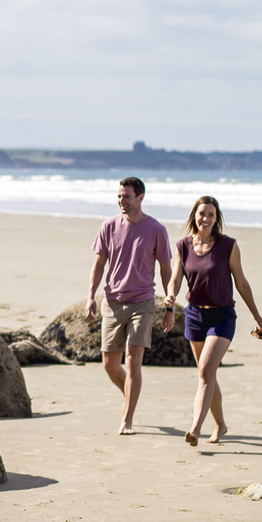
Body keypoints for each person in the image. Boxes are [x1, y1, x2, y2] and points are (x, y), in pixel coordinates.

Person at [165, 195, 262, 446]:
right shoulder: (183, 246)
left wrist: (257, 316)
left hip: (222, 315)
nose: (206, 218)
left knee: (204, 371)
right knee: (208, 374)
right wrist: (170, 295)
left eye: (211, 214)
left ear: (216, 218)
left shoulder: (228, 246)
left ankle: (195, 428)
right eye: (202, 214)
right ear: (194, 216)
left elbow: (241, 283)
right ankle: (221, 425)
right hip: (194, 315)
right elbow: (176, 278)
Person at [85, 176, 175, 434]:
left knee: (134, 361)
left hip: (143, 303)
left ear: (140, 198)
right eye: (119, 196)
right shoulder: (109, 226)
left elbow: (166, 269)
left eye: (126, 196)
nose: (121, 201)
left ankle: (127, 419)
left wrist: (169, 306)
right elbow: (99, 264)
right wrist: (91, 296)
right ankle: (130, 393)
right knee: (110, 364)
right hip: (112, 303)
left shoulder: (156, 229)